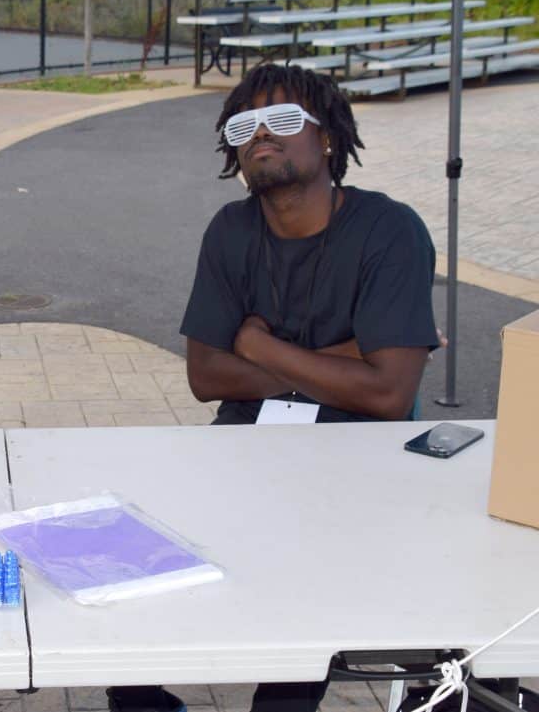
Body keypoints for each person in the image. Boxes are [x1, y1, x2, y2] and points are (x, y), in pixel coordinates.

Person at [179, 64, 439, 711]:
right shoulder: (230, 232)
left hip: (362, 460)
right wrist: (341, 363)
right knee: (151, 549)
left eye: (286, 119)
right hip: (246, 446)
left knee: (309, 565)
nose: (262, 133)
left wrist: (260, 345)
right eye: (245, 124)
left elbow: (386, 393)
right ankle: (143, 690)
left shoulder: (390, 232)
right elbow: (204, 376)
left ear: (327, 139)